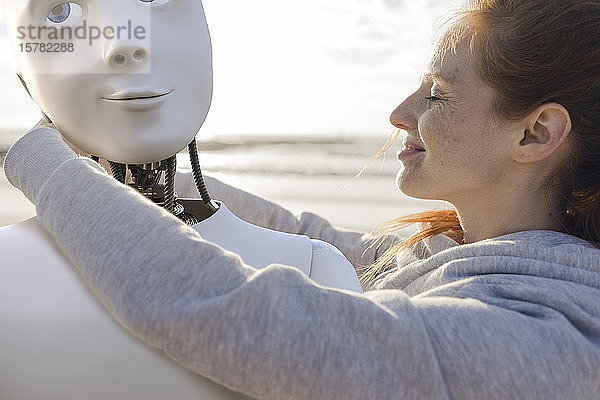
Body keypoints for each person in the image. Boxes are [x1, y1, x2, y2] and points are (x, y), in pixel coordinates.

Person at [5, 0, 600, 399]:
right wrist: (151, 178)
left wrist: (45, 163)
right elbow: (315, 236)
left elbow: (227, 312)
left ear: (535, 134)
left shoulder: (547, 339)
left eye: (439, 94)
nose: (400, 115)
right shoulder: (460, 250)